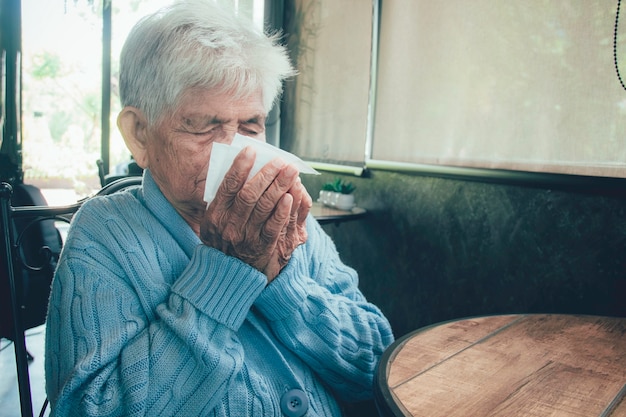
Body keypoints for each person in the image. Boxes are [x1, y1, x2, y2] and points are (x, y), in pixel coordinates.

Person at [44, 0, 394, 415]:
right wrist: (227, 274)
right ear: (139, 134)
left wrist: (284, 283)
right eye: (203, 126)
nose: (234, 150)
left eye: (250, 126)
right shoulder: (103, 234)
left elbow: (375, 367)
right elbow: (91, 409)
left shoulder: (287, 222)